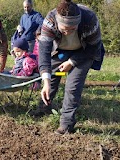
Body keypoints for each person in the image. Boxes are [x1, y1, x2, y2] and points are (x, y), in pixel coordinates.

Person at [38, 0, 104, 135]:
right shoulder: (50, 21)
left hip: (84, 53)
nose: (68, 32)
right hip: (60, 52)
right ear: (57, 23)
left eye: (72, 29)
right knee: (52, 77)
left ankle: (66, 124)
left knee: (72, 86)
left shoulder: (90, 19)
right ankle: (43, 107)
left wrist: (72, 62)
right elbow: (44, 52)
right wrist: (46, 81)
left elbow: (93, 49)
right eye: (64, 29)